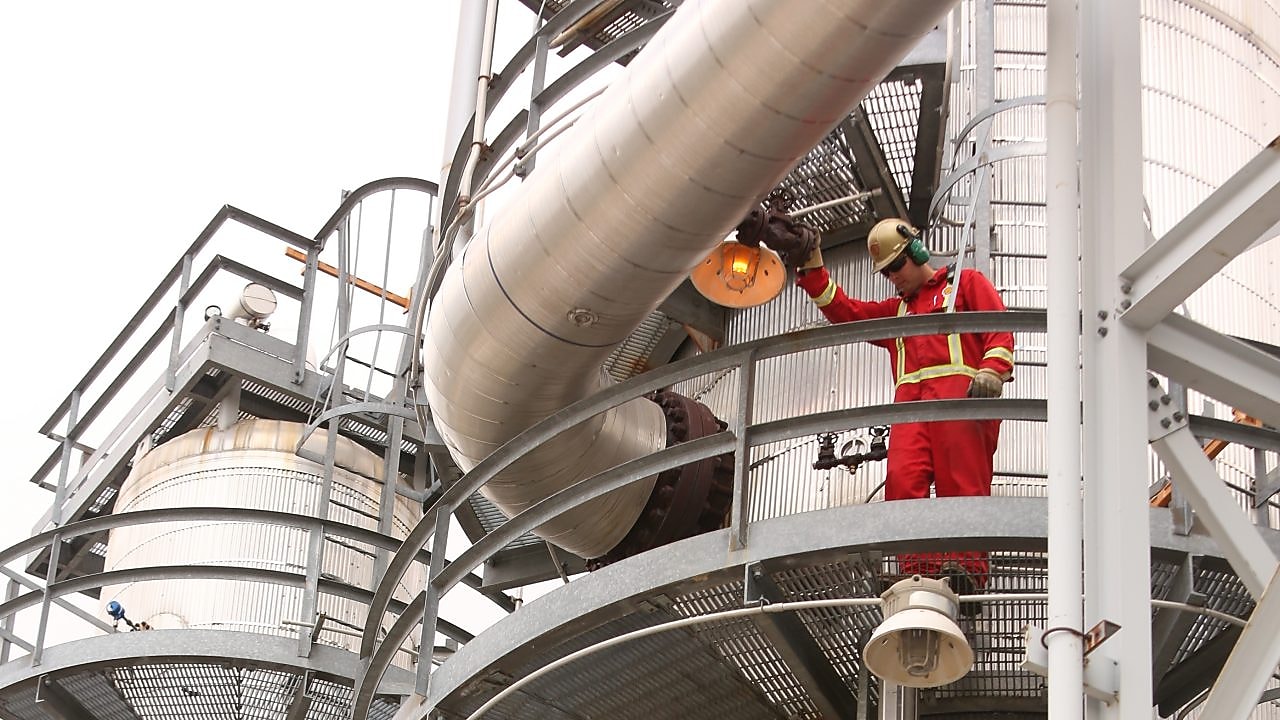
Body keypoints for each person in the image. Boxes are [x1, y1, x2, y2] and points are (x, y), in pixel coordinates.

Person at [792, 218, 1014, 600]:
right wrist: (814, 272)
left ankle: (967, 573)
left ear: (918, 252)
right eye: (886, 272)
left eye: (897, 266)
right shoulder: (898, 313)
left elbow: (999, 330)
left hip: (958, 407)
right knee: (903, 485)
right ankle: (916, 575)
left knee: (961, 487)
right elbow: (848, 312)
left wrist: (993, 370)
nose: (892, 277)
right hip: (910, 415)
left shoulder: (966, 284)